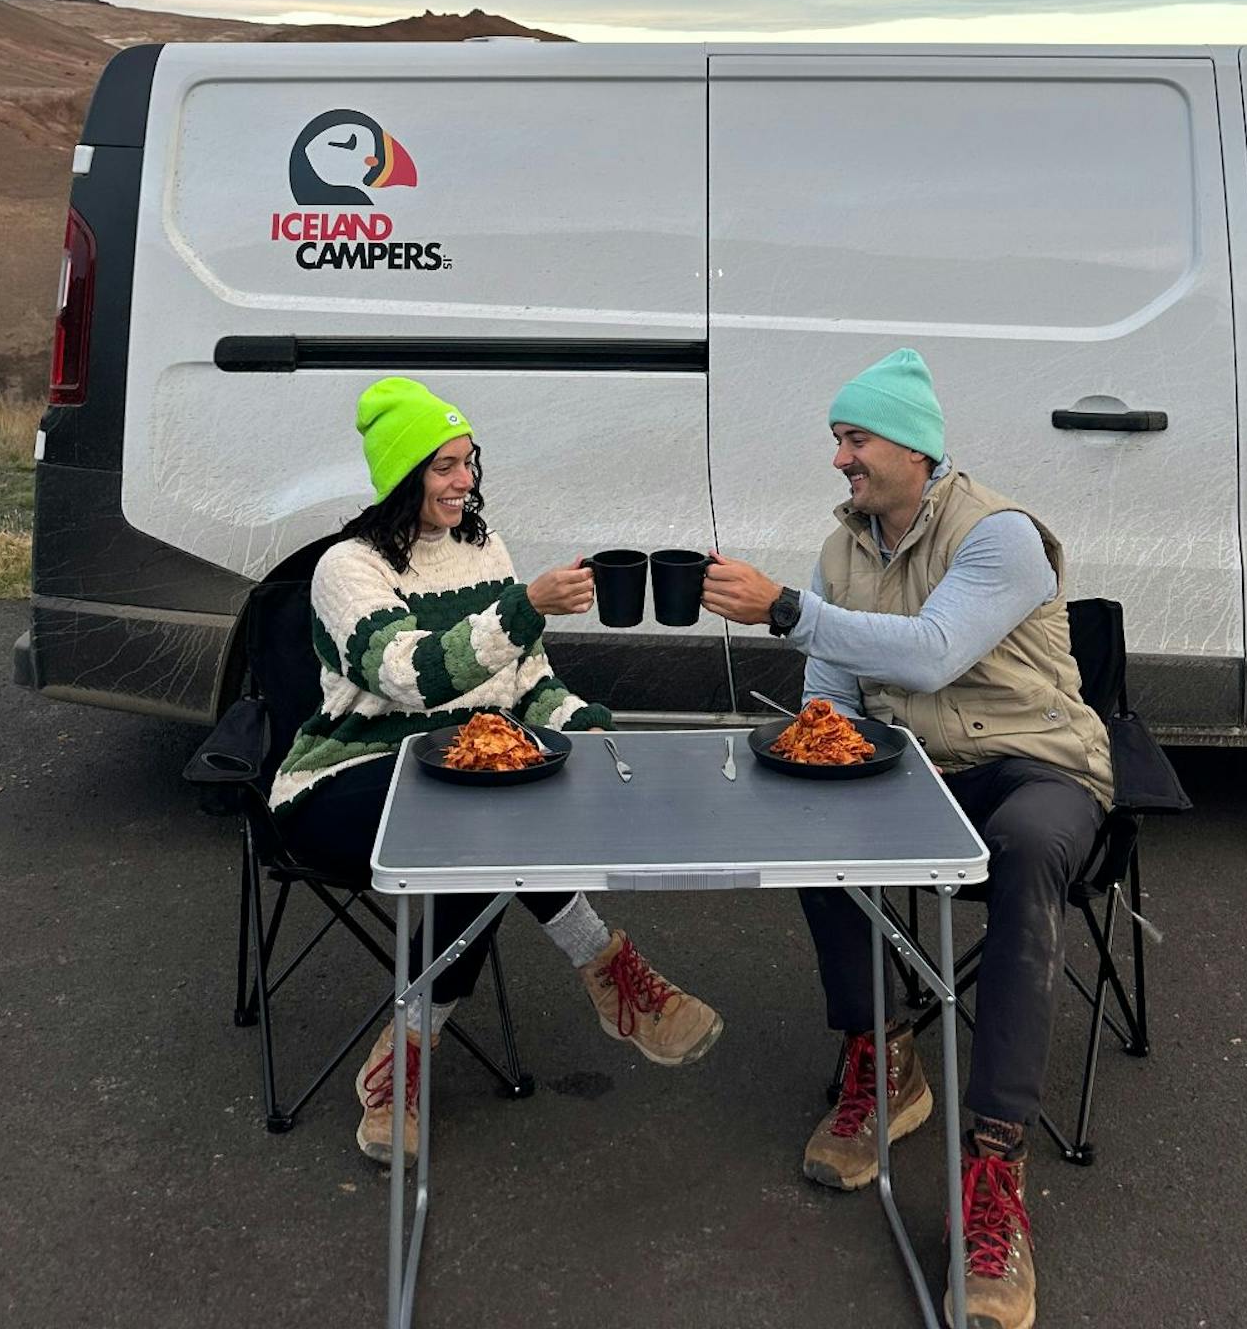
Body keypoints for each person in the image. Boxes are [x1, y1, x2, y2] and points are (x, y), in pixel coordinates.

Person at [702, 348, 1111, 1329]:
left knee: (1023, 853)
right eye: (837, 440)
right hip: (919, 773)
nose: (840, 460)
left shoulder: (999, 534)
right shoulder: (841, 547)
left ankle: (994, 1170)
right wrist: (812, 740)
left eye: (855, 438)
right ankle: (885, 1060)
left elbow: (929, 657)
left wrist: (790, 613)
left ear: (914, 447)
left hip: (1037, 764)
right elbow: (830, 692)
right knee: (811, 811)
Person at [270, 376, 723, 1162]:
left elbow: (528, 683)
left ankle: (422, 1046)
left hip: (470, 778)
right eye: (445, 465)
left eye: (469, 462)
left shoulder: (484, 549)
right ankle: (602, 973)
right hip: (344, 778)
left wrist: (592, 734)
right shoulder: (346, 569)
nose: (464, 481)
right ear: (404, 474)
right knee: (480, 824)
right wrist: (526, 607)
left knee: (498, 811)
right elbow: (407, 674)